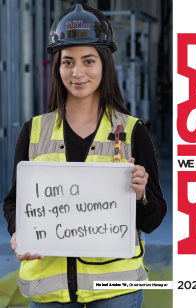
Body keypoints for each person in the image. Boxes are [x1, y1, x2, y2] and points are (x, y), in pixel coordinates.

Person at [3, 3, 167, 308]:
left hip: (116, 293)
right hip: (48, 292)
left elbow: (154, 218)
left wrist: (141, 194)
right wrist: (19, 232)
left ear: (104, 64)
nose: (77, 72)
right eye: (68, 62)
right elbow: (14, 202)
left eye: (88, 61)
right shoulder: (34, 131)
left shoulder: (133, 132)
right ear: (58, 67)